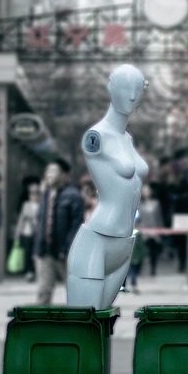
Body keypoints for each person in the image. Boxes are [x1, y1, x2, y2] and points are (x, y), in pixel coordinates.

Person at [66, 64, 150, 310]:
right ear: (111, 88)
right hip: (97, 241)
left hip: (124, 243)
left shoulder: (127, 138)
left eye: (138, 89)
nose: (132, 96)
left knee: (101, 325)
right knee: (84, 327)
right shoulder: (96, 136)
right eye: (125, 88)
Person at [14, 179, 41, 283]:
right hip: (27, 233)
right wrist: (17, 233)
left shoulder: (42, 204)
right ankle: (29, 272)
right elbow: (21, 219)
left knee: (36, 254)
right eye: (32, 193)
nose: (34, 195)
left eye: (36, 193)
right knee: (27, 253)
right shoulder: (26, 205)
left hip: (38, 234)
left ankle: (36, 272)